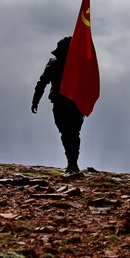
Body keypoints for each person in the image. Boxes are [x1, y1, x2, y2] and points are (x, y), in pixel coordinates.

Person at [31, 36, 85, 174]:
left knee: (69, 133)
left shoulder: (78, 64)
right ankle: (72, 162)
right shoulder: (73, 64)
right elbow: (42, 82)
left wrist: (35, 100)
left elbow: (42, 82)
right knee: (70, 133)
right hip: (67, 103)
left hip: (71, 104)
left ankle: (72, 163)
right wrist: (35, 100)